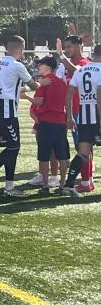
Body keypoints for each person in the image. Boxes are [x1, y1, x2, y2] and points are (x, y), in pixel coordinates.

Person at [0, 35, 41, 197]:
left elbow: (12, 88)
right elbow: (33, 85)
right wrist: (40, 84)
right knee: (14, 147)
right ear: (20, 49)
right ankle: (4, 184)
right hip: (7, 112)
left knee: (11, 148)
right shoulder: (17, 65)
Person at [53, 35, 92, 191]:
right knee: (82, 148)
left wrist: (61, 56)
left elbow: (76, 72)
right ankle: (86, 180)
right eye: (65, 47)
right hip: (72, 111)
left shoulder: (84, 63)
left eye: (69, 47)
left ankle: (85, 182)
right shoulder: (69, 64)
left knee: (82, 148)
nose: (66, 50)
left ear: (78, 46)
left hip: (82, 113)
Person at [27, 56, 70, 194]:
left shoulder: (44, 82)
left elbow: (39, 102)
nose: (39, 67)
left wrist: (27, 97)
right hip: (60, 121)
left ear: (48, 67)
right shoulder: (62, 82)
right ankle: (62, 185)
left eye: (41, 65)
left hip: (46, 122)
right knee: (62, 155)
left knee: (44, 155)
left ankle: (45, 185)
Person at [63, 44, 101, 197]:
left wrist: (69, 116)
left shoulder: (81, 70)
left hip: (84, 116)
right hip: (97, 116)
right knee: (84, 153)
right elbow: (99, 95)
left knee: (83, 153)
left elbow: (69, 94)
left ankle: (69, 184)